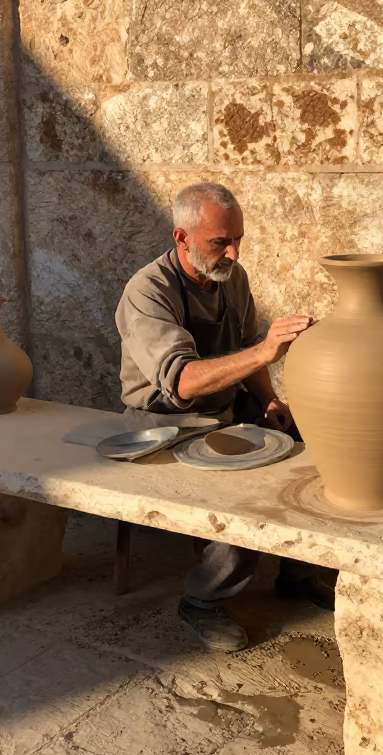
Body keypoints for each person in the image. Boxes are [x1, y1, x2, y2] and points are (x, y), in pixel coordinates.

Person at [115, 182, 333, 652]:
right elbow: (183, 382)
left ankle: (296, 573)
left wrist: (272, 401)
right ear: (182, 238)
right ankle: (204, 600)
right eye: (220, 242)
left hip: (223, 408)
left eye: (238, 239)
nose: (233, 251)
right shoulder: (147, 292)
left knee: (309, 439)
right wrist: (267, 350)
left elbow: (245, 353)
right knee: (239, 479)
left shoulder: (231, 277)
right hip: (162, 421)